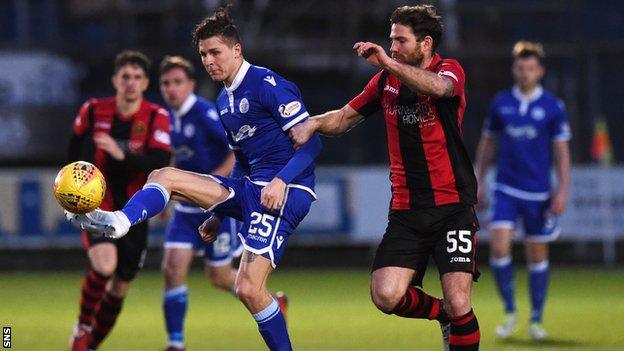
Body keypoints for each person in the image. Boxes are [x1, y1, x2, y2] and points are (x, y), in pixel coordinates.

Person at [66, 7, 321, 351]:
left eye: (215, 52)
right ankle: (119, 220)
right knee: (164, 176)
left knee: (246, 288)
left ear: (236, 50)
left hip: (286, 190)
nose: (209, 61)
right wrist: (218, 212)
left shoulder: (267, 84)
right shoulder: (223, 100)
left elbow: (312, 143)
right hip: (251, 187)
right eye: (203, 54)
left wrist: (281, 181)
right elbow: (242, 162)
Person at [290, 5, 480, 351]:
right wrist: (314, 123)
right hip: (407, 210)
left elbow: (439, 89)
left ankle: (454, 315)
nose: (392, 48)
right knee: (385, 295)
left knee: (459, 300)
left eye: (400, 41)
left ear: (425, 44)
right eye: (391, 40)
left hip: (452, 205)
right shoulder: (385, 82)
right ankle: (443, 316)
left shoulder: (449, 69)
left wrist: (389, 64)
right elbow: (345, 117)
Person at [67, 50, 172, 351]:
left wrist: (120, 153)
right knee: (105, 265)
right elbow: (73, 149)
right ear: (115, 80)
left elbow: (160, 161)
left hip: (135, 210)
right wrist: (69, 189)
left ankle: (89, 346)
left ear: (145, 83)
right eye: (125, 76)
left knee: (119, 287)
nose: (130, 82)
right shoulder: (93, 110)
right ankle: (83, 326)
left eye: (137, 77)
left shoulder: (156, 116)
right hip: (97, 204)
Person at [474, 41, 571, 340]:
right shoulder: (500, 103)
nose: (525, 72)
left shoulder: (553, 107)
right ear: (514, 69)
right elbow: (488, 143)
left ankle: (537, 320)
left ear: (540, 71)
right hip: (505, 188)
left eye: (530, 67)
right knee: (499, 246)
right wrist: (478, 178)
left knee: (537, 255)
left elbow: (562, 153)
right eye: (520, 67)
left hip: (539, 193)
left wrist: (562, 191)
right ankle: (509, 311)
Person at [158, 55, 241, 351]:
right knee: (171, 269)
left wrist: (217, 181)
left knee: (218, 277)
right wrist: (166, 196)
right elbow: (176, 157)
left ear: (191, 84)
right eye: (166, 83)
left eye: (178, 82)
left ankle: (268, 298)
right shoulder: (170, 118)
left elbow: (236, 147)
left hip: (215, 209)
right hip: (184, 211)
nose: (171, 89)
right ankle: (175, 343)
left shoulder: (205, 113)